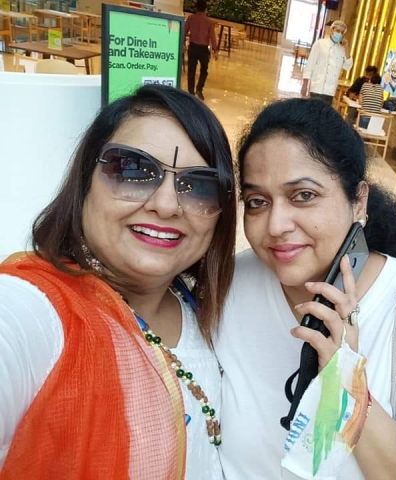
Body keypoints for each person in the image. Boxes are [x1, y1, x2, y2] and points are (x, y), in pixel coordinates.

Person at [217, 98, 396, 479]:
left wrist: (346, 383)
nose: (276, 225)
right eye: (257, 201)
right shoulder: (231, 282)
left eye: (303, 195)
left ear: (358, 200)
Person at [0, 85, 236, 479]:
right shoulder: (41, 312)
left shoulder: (200, 309)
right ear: (85, 182)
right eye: (132, 170)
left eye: (198, 186)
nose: (166, 205)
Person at [301, 19, 353, 105]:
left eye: (342, 32)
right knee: (313, 112)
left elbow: (348, 66)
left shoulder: (342, 50)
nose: (339, 34)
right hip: (317, 87)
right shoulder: (320, 44)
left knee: (325, 113)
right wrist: (305, 84)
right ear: (331, 30)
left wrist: (346, 48)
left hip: (330, 91)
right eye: (338, 31)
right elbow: (310, 64)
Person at [184, 0, 219, 100]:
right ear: (205, 10)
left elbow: (184, 32)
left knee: (191, 70)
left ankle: (191, 92)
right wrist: (215, 50)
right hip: (203, 49)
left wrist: (183, 44)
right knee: (204, 70)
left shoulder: (191, 18)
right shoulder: (209, 22)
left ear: (196, 8)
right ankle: (199, 88)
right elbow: (212, 37)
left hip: (193, 47)